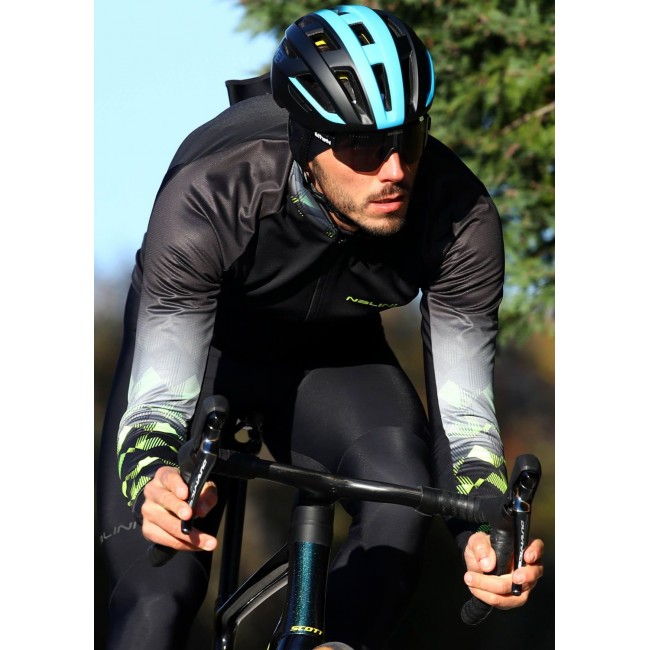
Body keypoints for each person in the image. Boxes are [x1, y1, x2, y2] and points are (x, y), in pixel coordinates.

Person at [96, 5, 545, 650]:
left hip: (336, 361)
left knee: (400, 498)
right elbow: (160, 398)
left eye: (409, 139)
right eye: (363, 147)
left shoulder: (459, 217)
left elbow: (465, 413)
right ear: (308, 141)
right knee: (154, 601)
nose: (394, 170)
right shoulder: (212, 194)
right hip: (206, 355)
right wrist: (154, 477)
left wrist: (482, 530)